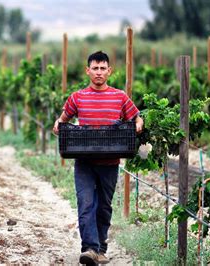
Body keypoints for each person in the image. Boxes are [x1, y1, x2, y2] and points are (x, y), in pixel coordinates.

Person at [52, 51, 143, 265]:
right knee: (85, 204)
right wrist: (58, 125)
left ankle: (101, 247)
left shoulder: (120, 96)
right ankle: (90, 249)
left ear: (109, 71)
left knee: (103, 206)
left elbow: (136, 117)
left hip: (110, 163)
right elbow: (63, 119)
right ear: (88, 71)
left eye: (103, 68)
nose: (99, 72)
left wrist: (139, 124)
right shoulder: (77, 97)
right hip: (83, 161)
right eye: (95, 68)